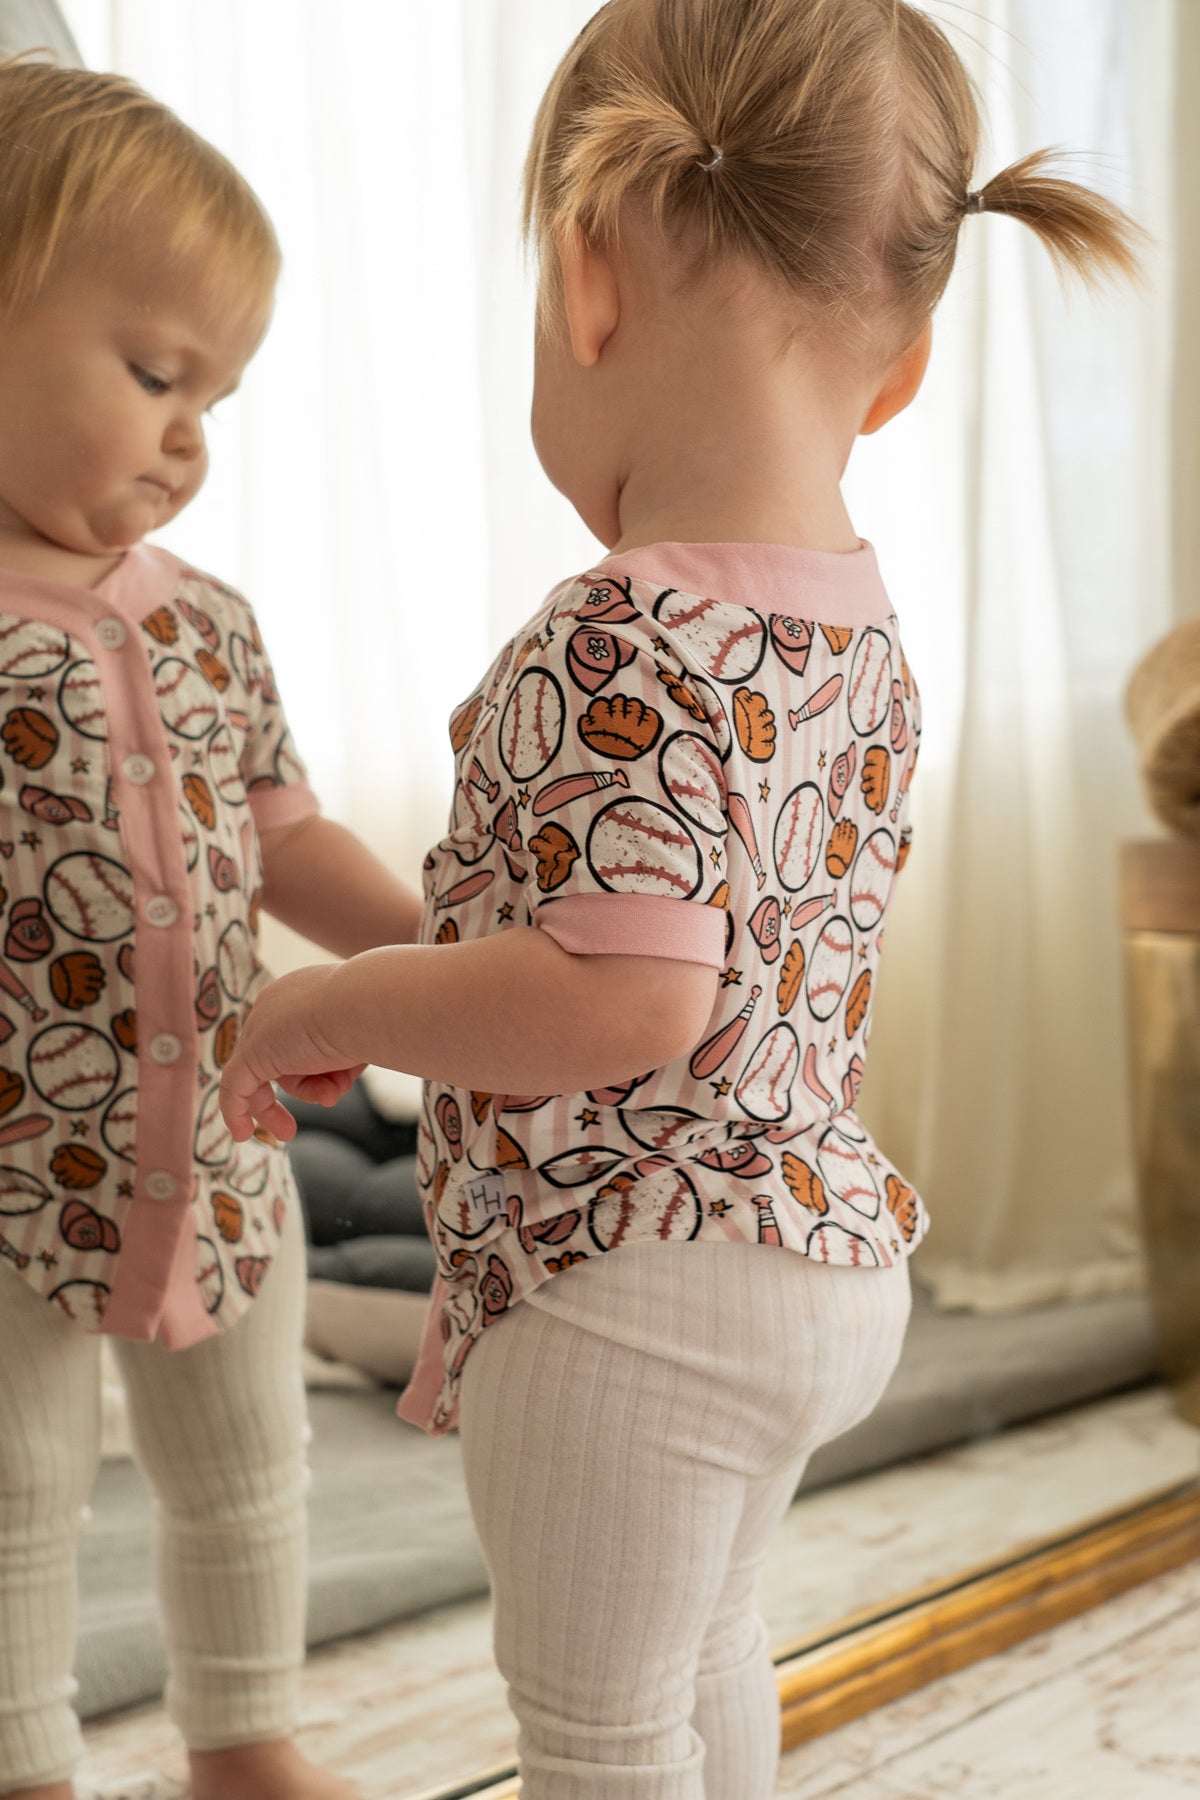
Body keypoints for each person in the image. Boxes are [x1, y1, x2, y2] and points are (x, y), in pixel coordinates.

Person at [219, 2, 1140, 1794]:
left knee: (592, 1721)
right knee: (705, 1653)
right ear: (902, 366)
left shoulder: (619, 629)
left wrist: (314, 1009)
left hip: (634, 1273)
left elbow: (623, 1002)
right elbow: (626, 934)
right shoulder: (853, 627)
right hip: (809, 1257)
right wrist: (404, 961)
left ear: (587, 277)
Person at [0, 57, 423, 1800]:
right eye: (155, 373)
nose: (190, 435)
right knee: (19, 1484)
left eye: (217, 395)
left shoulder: (213, 624)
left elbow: (282, 830)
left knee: (245, 1462)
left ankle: (243, 1738)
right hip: (15, 1151)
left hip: (225, 1143)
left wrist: (427, 947)